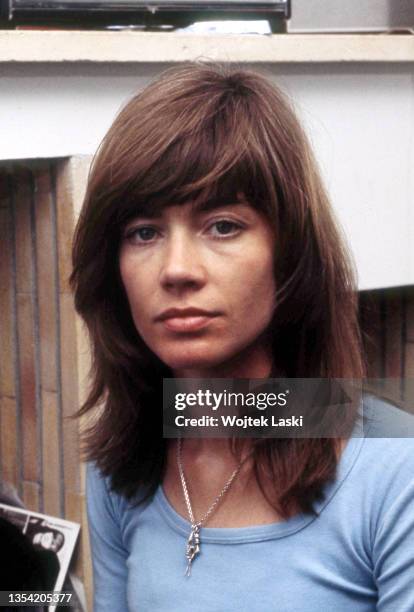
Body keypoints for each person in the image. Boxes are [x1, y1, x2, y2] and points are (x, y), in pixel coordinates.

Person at [70, 64, 414, 611]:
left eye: (223, 225)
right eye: (144, 233)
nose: (177, 269)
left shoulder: (394, 468)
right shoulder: (119, 467)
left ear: (291, 251)